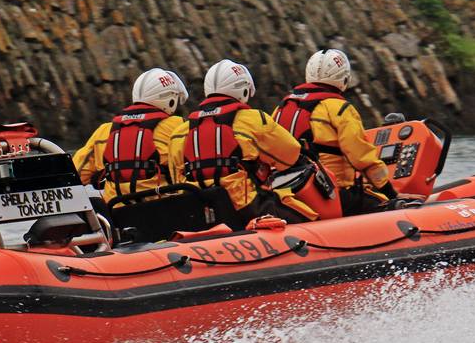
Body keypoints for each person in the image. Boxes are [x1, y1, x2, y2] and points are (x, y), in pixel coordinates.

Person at [168, 59, 317, 226]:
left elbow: (176, 180)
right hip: (246, 208)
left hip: (198, 213)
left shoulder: (179, 132)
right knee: (309, 217)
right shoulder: (254, 119)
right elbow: (290, 155)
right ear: (242, 89)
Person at [272, 49, 417, 215]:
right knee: (396, 206)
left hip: (289, 195)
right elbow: (362, 157)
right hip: (333, 194)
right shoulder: (340, 109)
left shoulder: (280, 109)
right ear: (343, 78)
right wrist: (391, 194)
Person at [72, 68, 188, 203]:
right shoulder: (178, 127)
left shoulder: (104, 132)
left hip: (117, 215)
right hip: (166, 211)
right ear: (170, 99)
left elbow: (74, 176)